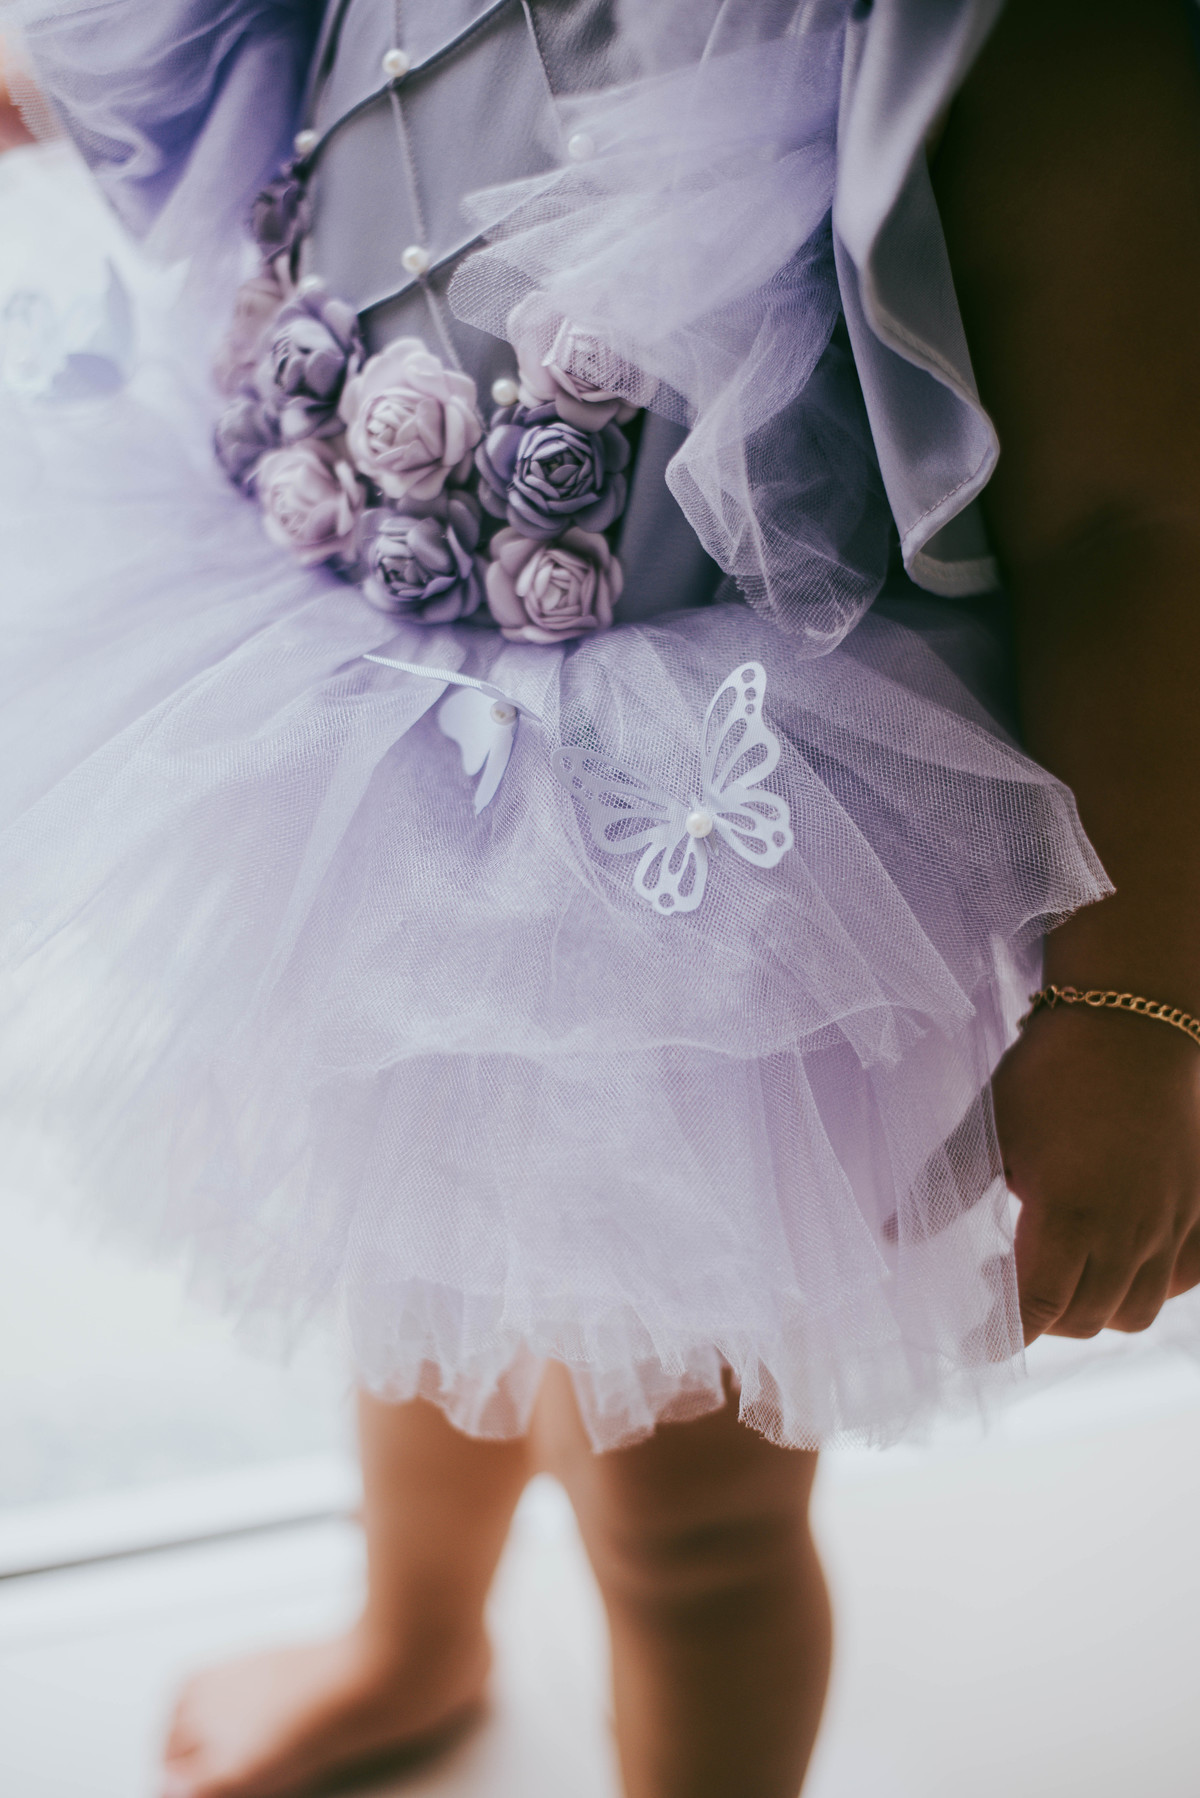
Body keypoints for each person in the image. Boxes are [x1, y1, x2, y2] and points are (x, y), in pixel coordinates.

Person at [1, 3, 1199, 1797]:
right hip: (351, 741)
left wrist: (1136, 1007)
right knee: (412, 1280)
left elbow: (1134, 515)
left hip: (719, 872)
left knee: (685, 1509)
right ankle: (416, 1632)